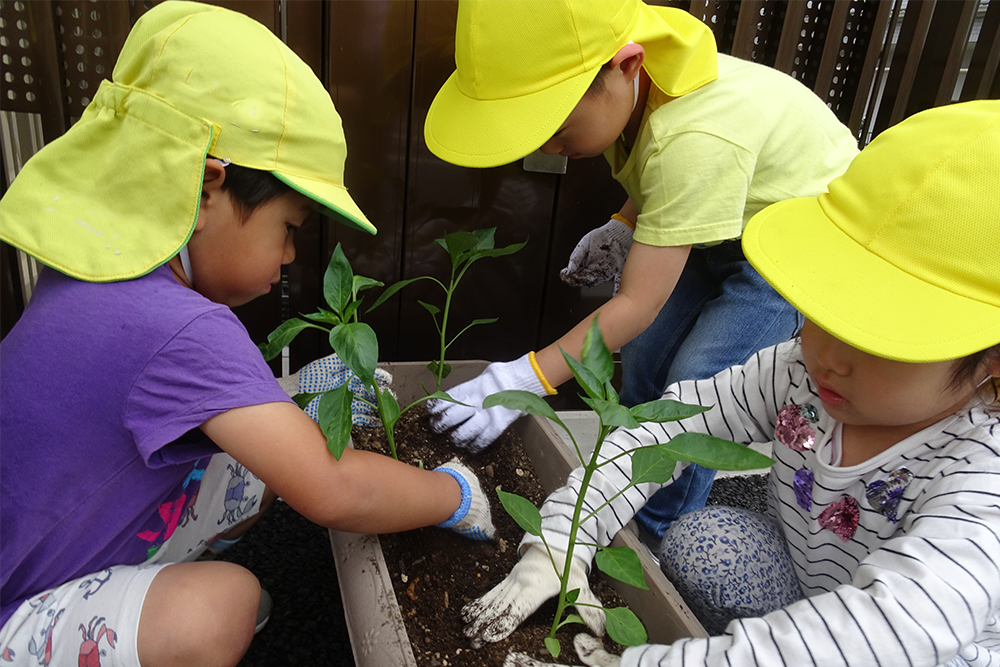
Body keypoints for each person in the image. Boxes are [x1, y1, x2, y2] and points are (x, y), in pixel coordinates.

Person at [0, 4, 493, 667]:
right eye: (288, 228)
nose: (289, 256)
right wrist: (451, 492)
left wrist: (287, 403)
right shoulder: (184, 326)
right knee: (222, 606)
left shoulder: (92, 274)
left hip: (37, 545)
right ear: (206, 188)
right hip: (17, 608)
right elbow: (332, 489)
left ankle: (138, 609)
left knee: (250, 470)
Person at [458, 98, 1000, 667]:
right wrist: (559, 539)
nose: (828, 356)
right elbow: (669, 428)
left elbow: (889, 634)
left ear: (990, 357)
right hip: (817, 584)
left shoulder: (982, 478)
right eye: (822, 309)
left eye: (876, 337)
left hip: (932, 650)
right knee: (702, 545)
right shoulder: (798, 371)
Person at [421, 0, 860, 540]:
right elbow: (653, 175)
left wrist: (523, 379)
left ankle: (655, 532)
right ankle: (621, 491)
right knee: (646, 359)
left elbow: (637, 299)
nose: (548, 147)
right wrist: (625, 223)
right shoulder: (644, 88)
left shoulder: (694, 138)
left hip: (791, 245)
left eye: (556, 128)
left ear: (625, 65)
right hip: (725, 216)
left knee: (693, 390)